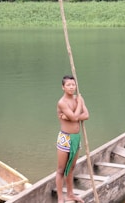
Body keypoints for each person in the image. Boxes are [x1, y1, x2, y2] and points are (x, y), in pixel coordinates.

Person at [56, 75, 89, 203]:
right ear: (63, 87)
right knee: (61, 169)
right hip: (65, 138)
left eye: (73, 85)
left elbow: (86, 115)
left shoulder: (78, 98)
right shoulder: (62, 102)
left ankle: (70, 194)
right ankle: (60, 197)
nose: (71, 87)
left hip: (76, 138)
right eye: (68, 85)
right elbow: (75, 118)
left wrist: (72, 115)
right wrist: (80, 104)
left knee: (71, 168)